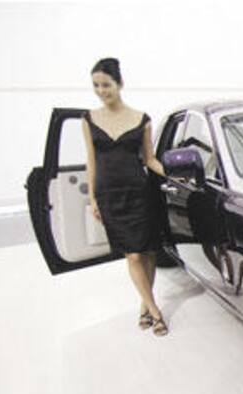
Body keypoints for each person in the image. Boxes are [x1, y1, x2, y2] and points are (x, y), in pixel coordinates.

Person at [82, 57, 169, 336]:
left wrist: (173, 174)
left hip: (140, 193)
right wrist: (92, 198)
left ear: (120, 84)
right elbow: (91, 161)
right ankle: (155, 312)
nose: (101, 91)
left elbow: (150, 159)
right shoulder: (88, 119)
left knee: (148, 251)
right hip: (109, 196)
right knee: (132, 255)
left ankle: (145, 305)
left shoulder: (142, 119)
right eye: (96, 85)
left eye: (106, 85)